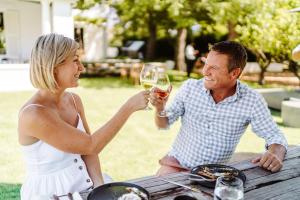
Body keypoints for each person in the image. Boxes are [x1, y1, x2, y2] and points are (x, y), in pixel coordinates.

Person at [18, 33, 150, 199]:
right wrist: (129, 107)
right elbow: (91, 145)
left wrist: (99, 187)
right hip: (50, 193)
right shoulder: (34, 114)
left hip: (84, 186)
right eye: (75, 60)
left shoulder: (74, 100)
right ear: (54, 66)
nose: (82, 67)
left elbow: (88, 153)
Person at [150, 41, 288, 176]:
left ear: (234, 73)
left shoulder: (251, 100)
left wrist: (275, 153)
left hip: (214, 175)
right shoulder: (189, 88)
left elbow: (275, 135)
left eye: (213, 68)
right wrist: (160, 108)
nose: (204, 71)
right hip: (177, 165)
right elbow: (164, 124)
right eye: (205, 64)